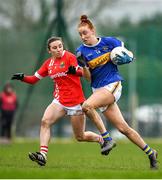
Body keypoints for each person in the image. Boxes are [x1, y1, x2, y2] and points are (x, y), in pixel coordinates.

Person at [76, 14, 158, 169]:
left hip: (112, 84)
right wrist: (84, 66)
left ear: (93, 31)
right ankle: (150, 153)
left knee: (86, 106)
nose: (83, 37)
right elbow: (87, 79)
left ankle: (106, 139)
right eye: (80, 34)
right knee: (123, 128)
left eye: (85, 33)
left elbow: (126, 55)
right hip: (98, 89)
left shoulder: (109, 42)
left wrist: (126, 57)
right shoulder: (81, 51)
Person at [11, 36, 106, 166]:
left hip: (76, 102)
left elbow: (83, 73)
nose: (58, 49)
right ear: (49, 50)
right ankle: (43, 155)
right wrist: (23, 78)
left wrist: (76, 71)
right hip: (59, 101)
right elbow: (34, 79)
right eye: (55, 48)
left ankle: (100, 139)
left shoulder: (70, 57)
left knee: (80, 137)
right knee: (45, 121)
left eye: (60, 46)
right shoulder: (48, 64)